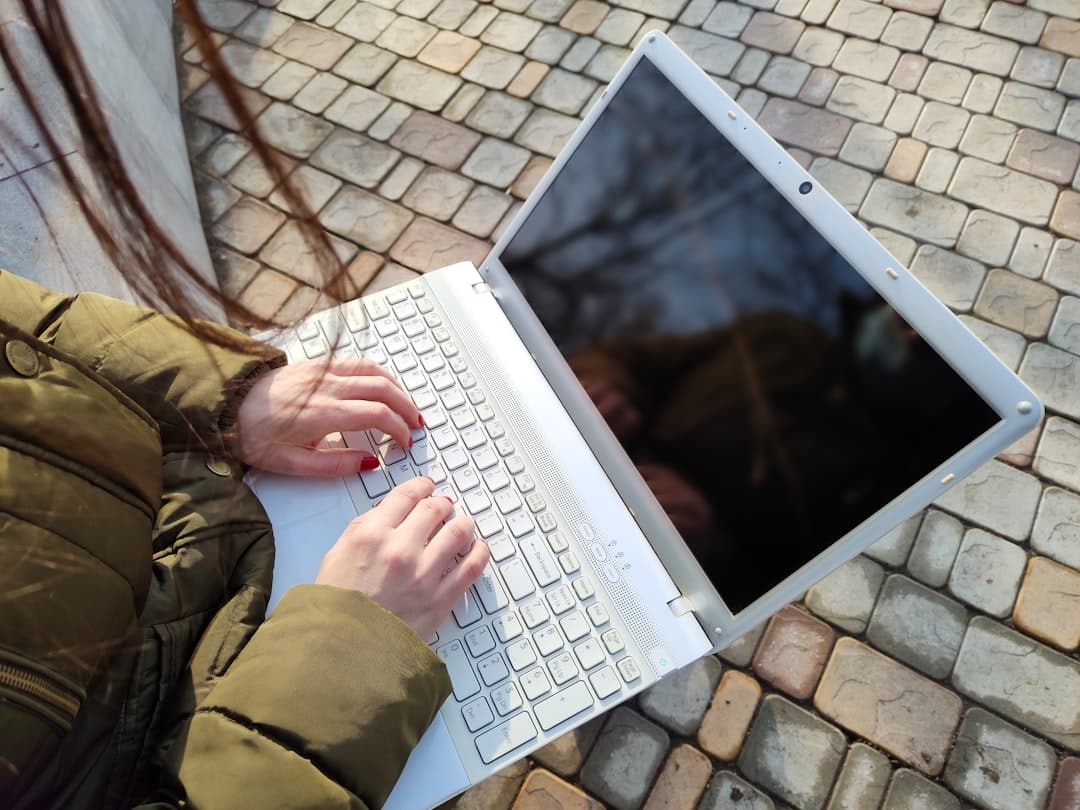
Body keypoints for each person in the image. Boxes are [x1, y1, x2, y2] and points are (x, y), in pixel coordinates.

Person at [0, 2, 488, 808]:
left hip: (227, 528)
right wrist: (346, 655)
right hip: (254, 701)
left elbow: (32, 325)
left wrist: (224, 396)